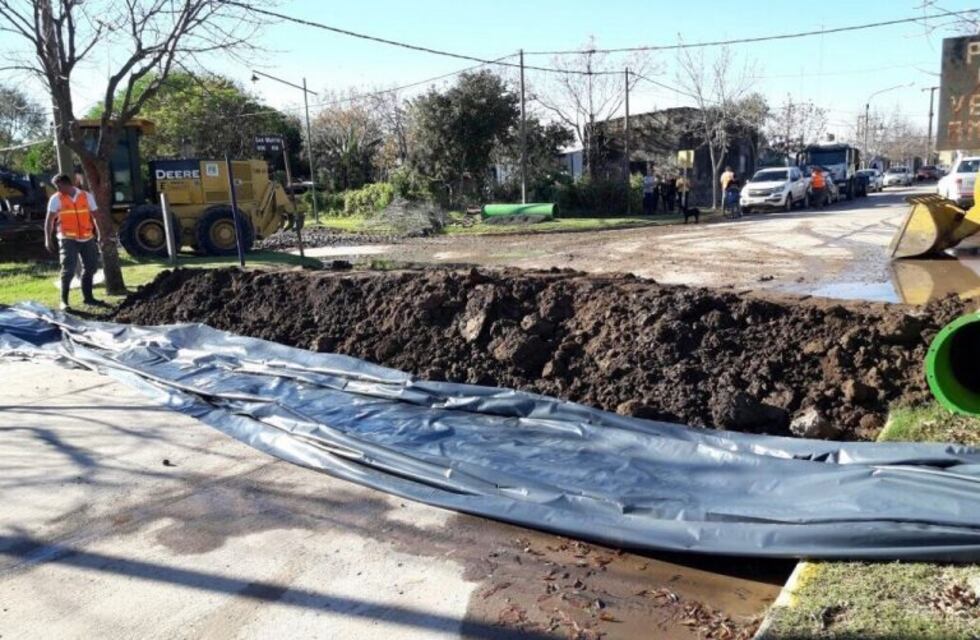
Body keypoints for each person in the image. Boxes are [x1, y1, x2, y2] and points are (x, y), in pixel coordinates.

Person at [45, 173, 104, 311]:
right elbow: (49, 220)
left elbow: (96, 216)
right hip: (67, 239)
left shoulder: (86, 196)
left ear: (67, 184)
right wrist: (48, 239)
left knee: (91, 267)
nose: (58, 189)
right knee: (68, 269)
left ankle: (88, 298)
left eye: (59, 186)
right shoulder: (56, 199)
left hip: (87, 237)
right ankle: (64, 301)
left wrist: (100, 235)